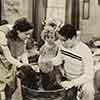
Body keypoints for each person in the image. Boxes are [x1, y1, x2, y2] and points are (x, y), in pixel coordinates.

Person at [51, 24, 94, 100]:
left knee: (88, 90)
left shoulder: (85, 50)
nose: (62, 43)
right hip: (67, 78)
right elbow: (58, 60)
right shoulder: (62, 46)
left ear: (74, 38)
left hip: (82, 80)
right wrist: (48, 62)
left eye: (64, 40)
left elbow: (89, 74)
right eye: (60, 40)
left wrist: (73, 83)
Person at [0, 19, 25, 100]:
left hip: (9, 61)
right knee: (2, 86)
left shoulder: (20, 35)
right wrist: (22, 66)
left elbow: (22, 52)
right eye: (26, 34)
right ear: (18, 31)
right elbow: (8, 56)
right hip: (2, 60)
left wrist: (25, 64)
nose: (28, 36)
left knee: (11, 86)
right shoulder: (2, 33)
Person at [38, 25, 62, 90]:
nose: (50, 39)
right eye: (48, 37)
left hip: (53, 62)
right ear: (45, 38)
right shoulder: (44, 46)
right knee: (44, 76)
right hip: (44, 62)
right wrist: (40, 62)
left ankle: (53, 86)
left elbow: (58, 56)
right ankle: (44, 86)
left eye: (52, 37)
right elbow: (41, 55)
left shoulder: (56, 46)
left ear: (55, 38)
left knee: (53, 76)